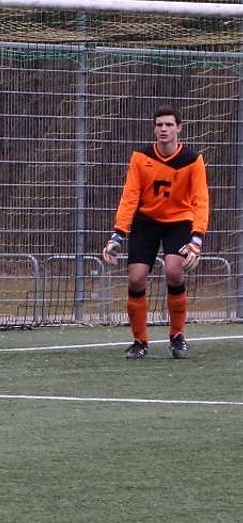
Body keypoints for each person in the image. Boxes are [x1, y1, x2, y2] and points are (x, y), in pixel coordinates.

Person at [102, 106, 210, 360]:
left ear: (179, 128)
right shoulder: (141, 157)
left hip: (179, 221)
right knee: (136, 279)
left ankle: (177, 336)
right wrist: (118, 233)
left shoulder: (193, 159)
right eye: (159, 125)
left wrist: (197, 237)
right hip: (146, 221)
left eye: (169, 125)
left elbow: (201, 200)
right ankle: (140, 341)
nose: (164, 129)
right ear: (154, 128)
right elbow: (130, 196)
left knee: (174, 272)